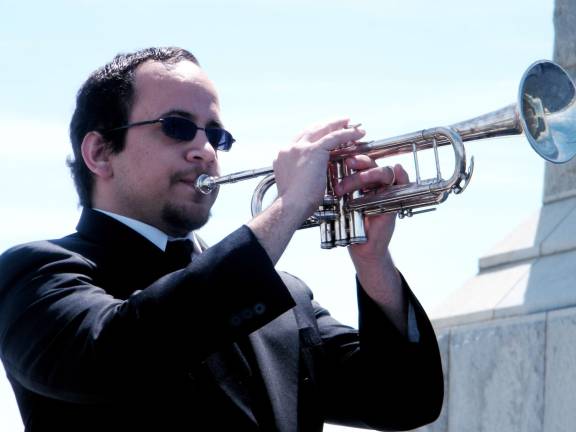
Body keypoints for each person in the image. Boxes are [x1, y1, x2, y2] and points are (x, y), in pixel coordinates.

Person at [0, 47, 443, 431]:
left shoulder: (286, 295)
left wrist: (372, 261)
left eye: (216, 135)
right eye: (177, 126)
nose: (205, 150)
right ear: (99, 153)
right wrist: (288, 208)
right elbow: (111, 357)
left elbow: (403, 402)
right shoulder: (36, 273)